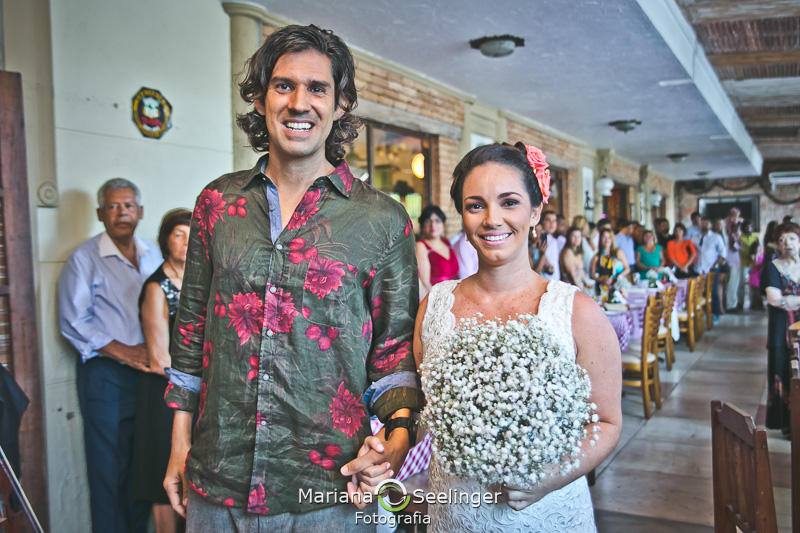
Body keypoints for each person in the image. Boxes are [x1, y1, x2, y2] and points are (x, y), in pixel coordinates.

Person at [162, 25, 423, 529]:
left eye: (317, 88)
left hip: (331, 488)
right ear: (261, 99)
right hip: (219, 477)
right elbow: (190, 332)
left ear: (340, 104)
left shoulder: (382, 220)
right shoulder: (218, 203)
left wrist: (392, 446)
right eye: (283, 86)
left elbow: (393, 356)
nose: (299, 102)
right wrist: (179, 442)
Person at [414, 142, 621, 530]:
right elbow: (423, 413)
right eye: (476, 205)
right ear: (462, 215)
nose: (493, 219)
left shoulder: (577, 312)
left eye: (509, 202)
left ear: (535, 211)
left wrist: (550, 477)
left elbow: (607, 422)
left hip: (547, 512)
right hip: (457, 511)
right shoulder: (434, 307)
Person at [58, 178, 161, 533]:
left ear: (140, 212)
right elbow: (74, 321)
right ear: (101, 214)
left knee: (140, 469)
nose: (122, 213)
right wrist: (125, 352)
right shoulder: (84, 257)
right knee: (108, 472)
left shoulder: (154, 253)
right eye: (114, 207)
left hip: (150, 375)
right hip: (107, 377)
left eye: (129, 206)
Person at [131, 209, 191, 533]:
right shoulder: (157, 286)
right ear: (166, 240)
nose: (186, 241)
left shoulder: (199, 281)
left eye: (191, 234)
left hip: (193, 392)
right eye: (178, 234)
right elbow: (158, 359)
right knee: (161, 476)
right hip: (164, 393)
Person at [763, 222, 800, 436]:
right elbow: (774, 299)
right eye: (782, 240)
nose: (788, 244)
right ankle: (787, 424)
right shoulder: (772, 266)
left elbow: (784, 298)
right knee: (782, 373)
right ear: (777, 244)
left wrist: (791, 299)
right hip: (780, 330)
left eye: (792, 238)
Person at [416, 204, 460, 298]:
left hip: (454, 296)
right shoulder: (421, 245)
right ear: (423, 225)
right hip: (436, 299)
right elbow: (425, 282)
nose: (433, 225)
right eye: (428, 221)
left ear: (443, 224)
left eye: (437, 220)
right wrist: (439, 303)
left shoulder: (447, 243)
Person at [694, 216, 727, 322]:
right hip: (698, 268)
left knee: (713, 292)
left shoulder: (716, 237)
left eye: (706, 223)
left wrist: (715, 264)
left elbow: (722, 254)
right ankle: (698, 314)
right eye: (702, 223)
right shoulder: (695, 237)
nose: (704, 225)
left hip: (711, 268)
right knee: (697, 293)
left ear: (710, 225)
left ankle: (715, 314)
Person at [724, 208, 743, 312]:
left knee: (735, 283)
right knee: (732, 283)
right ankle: (730, 305)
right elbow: (733, 246)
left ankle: (733, 303)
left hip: (736, 261)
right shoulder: (729, 229)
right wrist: (734, 234)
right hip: (731, 261)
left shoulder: (736, 233)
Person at [560, 226, 591, 290]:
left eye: (579, 236)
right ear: (569, 238)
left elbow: (581, 271)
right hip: (570, 287)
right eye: (574, 236)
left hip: (579, 285)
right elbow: (572, 274)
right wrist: (580, 288)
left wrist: (588, 284)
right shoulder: (567, 252)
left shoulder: (578, 252)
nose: (577, 238)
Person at [739, 220, 759, 310]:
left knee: (753, 284)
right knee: (742, 283)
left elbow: (758, 249)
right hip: (743, 262)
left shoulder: (755, 237)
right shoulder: (740, 237)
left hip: (753, 264)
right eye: (747, 227)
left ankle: (753, 302)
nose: (748, 228)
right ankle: (740, 302)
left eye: (750, 227)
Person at [540, 210, 565, 280]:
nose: (552, 223)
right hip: (545, 280)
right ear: (542, 222)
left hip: (555, 281)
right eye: (548, 220)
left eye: (554, 221)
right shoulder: (540, 238)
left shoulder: (554, 240)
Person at [572, 215, 596, 282]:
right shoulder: (580, 241)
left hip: (589, 277)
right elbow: (587, 259)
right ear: (582, 226)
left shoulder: (585, 239)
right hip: (584, 278)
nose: (588, 226)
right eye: (587, 224)